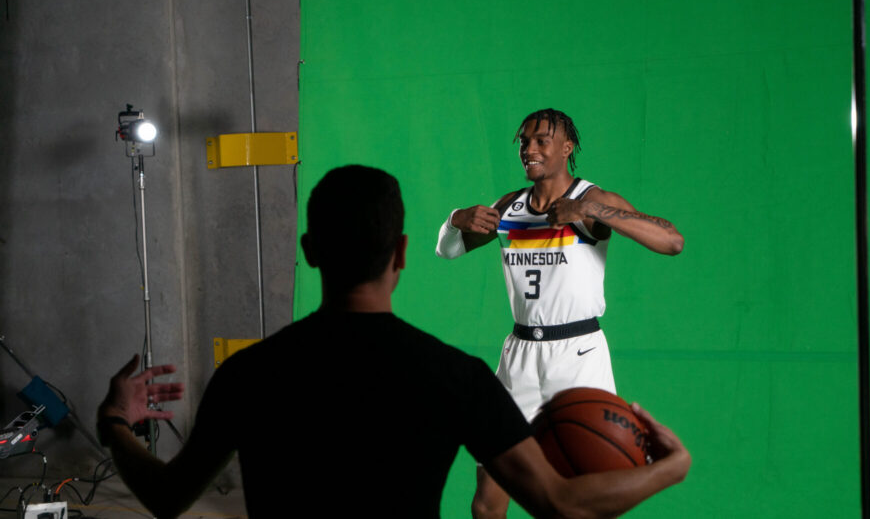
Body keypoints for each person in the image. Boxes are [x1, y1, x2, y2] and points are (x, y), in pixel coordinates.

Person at [98, 165, 689, 518]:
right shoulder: (455, 377)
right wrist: (671, 467)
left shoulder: (250, 374)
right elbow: (560, 503)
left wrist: (115, 421)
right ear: (401, 253)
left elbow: (166, 496)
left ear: (310, 251)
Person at [436, 109, 685, 518]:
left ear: (567, 148)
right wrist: (454, 220)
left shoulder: (592, 199)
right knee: (486, 505)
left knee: (584, 496)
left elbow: (672, 241)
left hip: (578, 356)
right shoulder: (510, 206)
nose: (529, 149)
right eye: (524, 142)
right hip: (519, 356)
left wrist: (591, 212)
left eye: (541, 141)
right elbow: (447, 250)